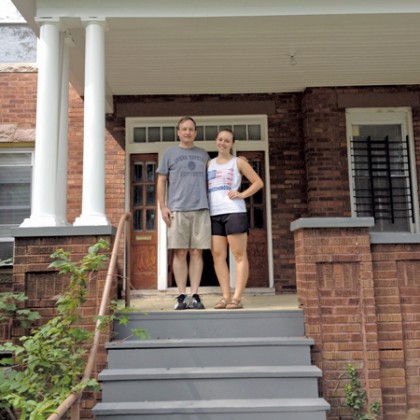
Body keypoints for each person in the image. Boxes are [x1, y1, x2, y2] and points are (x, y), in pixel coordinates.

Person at [157, 116, 211, 310]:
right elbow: (162, 181)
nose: (187, 132)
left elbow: (218, 172)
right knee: (180, 252)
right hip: (177, 210)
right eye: (184, 129)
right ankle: (181, 295)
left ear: (195, 133)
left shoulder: (204, 155)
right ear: (178, 132)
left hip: (201, 208)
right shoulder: (169, 153)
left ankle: (195, 295)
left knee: (197, 252)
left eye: (191, 129)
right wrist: (163, 206)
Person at [208, 128, 264, 309]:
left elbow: (258, 182)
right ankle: (225, 296)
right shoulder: (209, 164)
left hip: (234, 212)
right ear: (216, 141)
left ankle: (237, 298)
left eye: (227, 140)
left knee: (239, 255)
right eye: (220, 139)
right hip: (214, 213)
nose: (223, 143)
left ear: (232, 144)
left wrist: (241, 194)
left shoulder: (238, 162)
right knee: (218, 256)